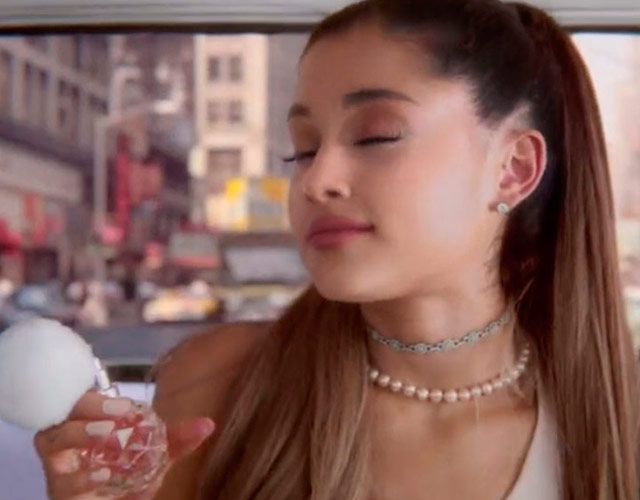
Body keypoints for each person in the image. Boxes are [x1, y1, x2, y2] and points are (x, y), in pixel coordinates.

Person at [33, 0, 640, 498]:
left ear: (513, 169)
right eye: (303, 148)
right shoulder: (220, 390)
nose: (315, 180)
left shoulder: (614, 424)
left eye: (376, 136)